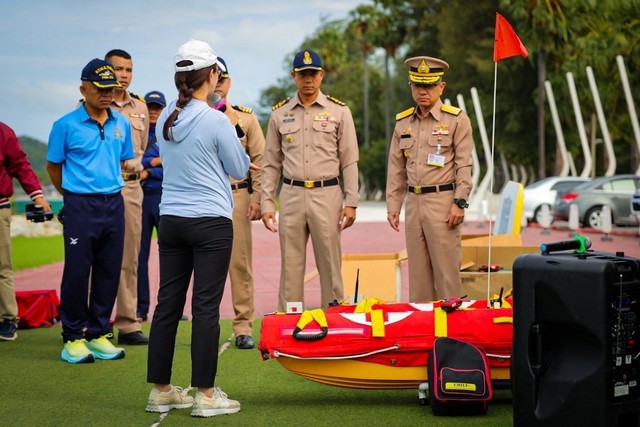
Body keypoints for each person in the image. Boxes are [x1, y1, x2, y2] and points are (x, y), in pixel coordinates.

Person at [146, 40, 255, 417]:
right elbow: (238, 169)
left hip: (172, 219)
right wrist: (238, 155)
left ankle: (161, 390)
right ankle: (206, 395)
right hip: (210, 221)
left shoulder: (165, 116)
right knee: (206, 307)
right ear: (211, 76)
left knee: (167, 304)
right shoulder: (216, 120)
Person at [46, 58, 133, 363]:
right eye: (100, 89)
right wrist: (72, 196)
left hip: (114, 203)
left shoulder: (121, 123)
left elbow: (121, 159)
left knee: (109, 271)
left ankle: (98, 333)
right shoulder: (65, 125)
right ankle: (72, 337)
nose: (107, 94)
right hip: (81, 205)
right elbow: (53, 167)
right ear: (84, 89)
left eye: (111, 89)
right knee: (77, 272)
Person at [261, 49, 359, 312]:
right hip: (291, 194)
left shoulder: (339, 112)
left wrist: (351, 202)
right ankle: (290, 321)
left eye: (313, 74)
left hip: (327, 194)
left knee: (330, 264)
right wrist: (267, 203)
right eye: (303, 74)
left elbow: (349, 160)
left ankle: (334, 320)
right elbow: (271, 163)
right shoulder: (279, 114)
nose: (308, 79)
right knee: (291, 265)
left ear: (321, 75)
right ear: (293, 76)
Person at [386, 56, 474, 302]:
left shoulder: (456, 119)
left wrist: (459, 202)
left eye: (429, 85)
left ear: (441, 87)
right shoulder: (403, 122)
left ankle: (451, 325)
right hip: (414, 203)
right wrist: (393, 205)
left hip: (443, 202)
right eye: (417, 85)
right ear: (411, 86)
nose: (423, 91)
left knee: (446, 274)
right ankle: (424, 323)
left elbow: (464, 165)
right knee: (418, 278)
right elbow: (396, 168)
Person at [211, 57, 264, 350]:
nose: (217, 84)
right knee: (202, 264)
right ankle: (204, 323)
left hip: (237, 196)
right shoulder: (192, 116)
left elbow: (261, 161)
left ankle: (243, 326)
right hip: (205, 196)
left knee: (240, 263)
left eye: (222, 79)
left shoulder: (245, 119)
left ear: (228, 82)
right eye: (213, 78)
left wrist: (257, 198)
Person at [105, 49, 150, 345]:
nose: (123, 75)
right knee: (97, 256)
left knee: (130, 256)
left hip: (131, 187)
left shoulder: (141, 107)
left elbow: (141, 148)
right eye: (118, 69)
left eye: (128, 69)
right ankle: (95, 322)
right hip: (102, 187)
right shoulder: (93, 105)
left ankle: (128, 323)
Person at [0, 123, 52, 341]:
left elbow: (20, 165)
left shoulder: (3, 132)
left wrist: (37, 196)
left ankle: (7, 319)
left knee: (2, 266)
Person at [136, 90, 166, 322]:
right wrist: (155, 161)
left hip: (164, 197)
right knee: (139, 256)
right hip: (141, 198)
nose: (154, 111)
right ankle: (140, 307)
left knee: (171, 257)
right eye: (150, 107)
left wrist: (149, 169)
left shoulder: (170, 133)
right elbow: (132, 163)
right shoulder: (138, 133)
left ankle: (169, 307)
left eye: (158, 108)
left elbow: (175, 164)